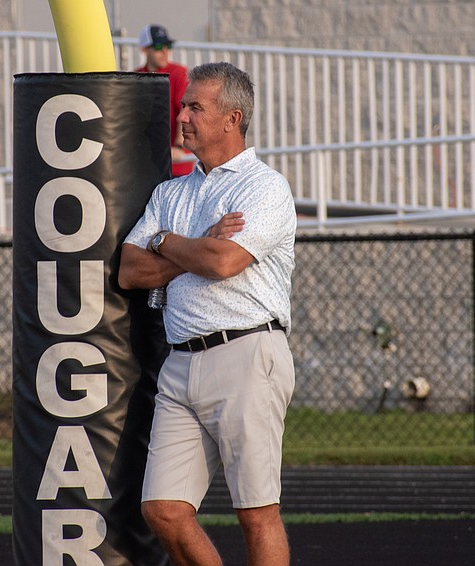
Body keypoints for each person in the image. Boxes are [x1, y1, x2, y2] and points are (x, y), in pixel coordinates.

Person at [118, 62, 297, 565]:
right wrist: (189, 245)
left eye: (196, 106)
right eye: (183, 105)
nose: (183, 116)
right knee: (163, 510)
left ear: (231, 119)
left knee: (256, 513)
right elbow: (130, 272)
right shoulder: (170, 191)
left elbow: (223, 262)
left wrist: (165, 243)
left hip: (247, 354)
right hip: (180, 363)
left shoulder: (264, 187)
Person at [135, 24, 195, 177]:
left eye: (167, 46)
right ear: (144, 49)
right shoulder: (136, 76)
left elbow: (185, 110)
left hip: (176, 162)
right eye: (158, 46)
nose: (164, 51)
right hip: (147, 163)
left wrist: (179, 146)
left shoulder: (178, 73)